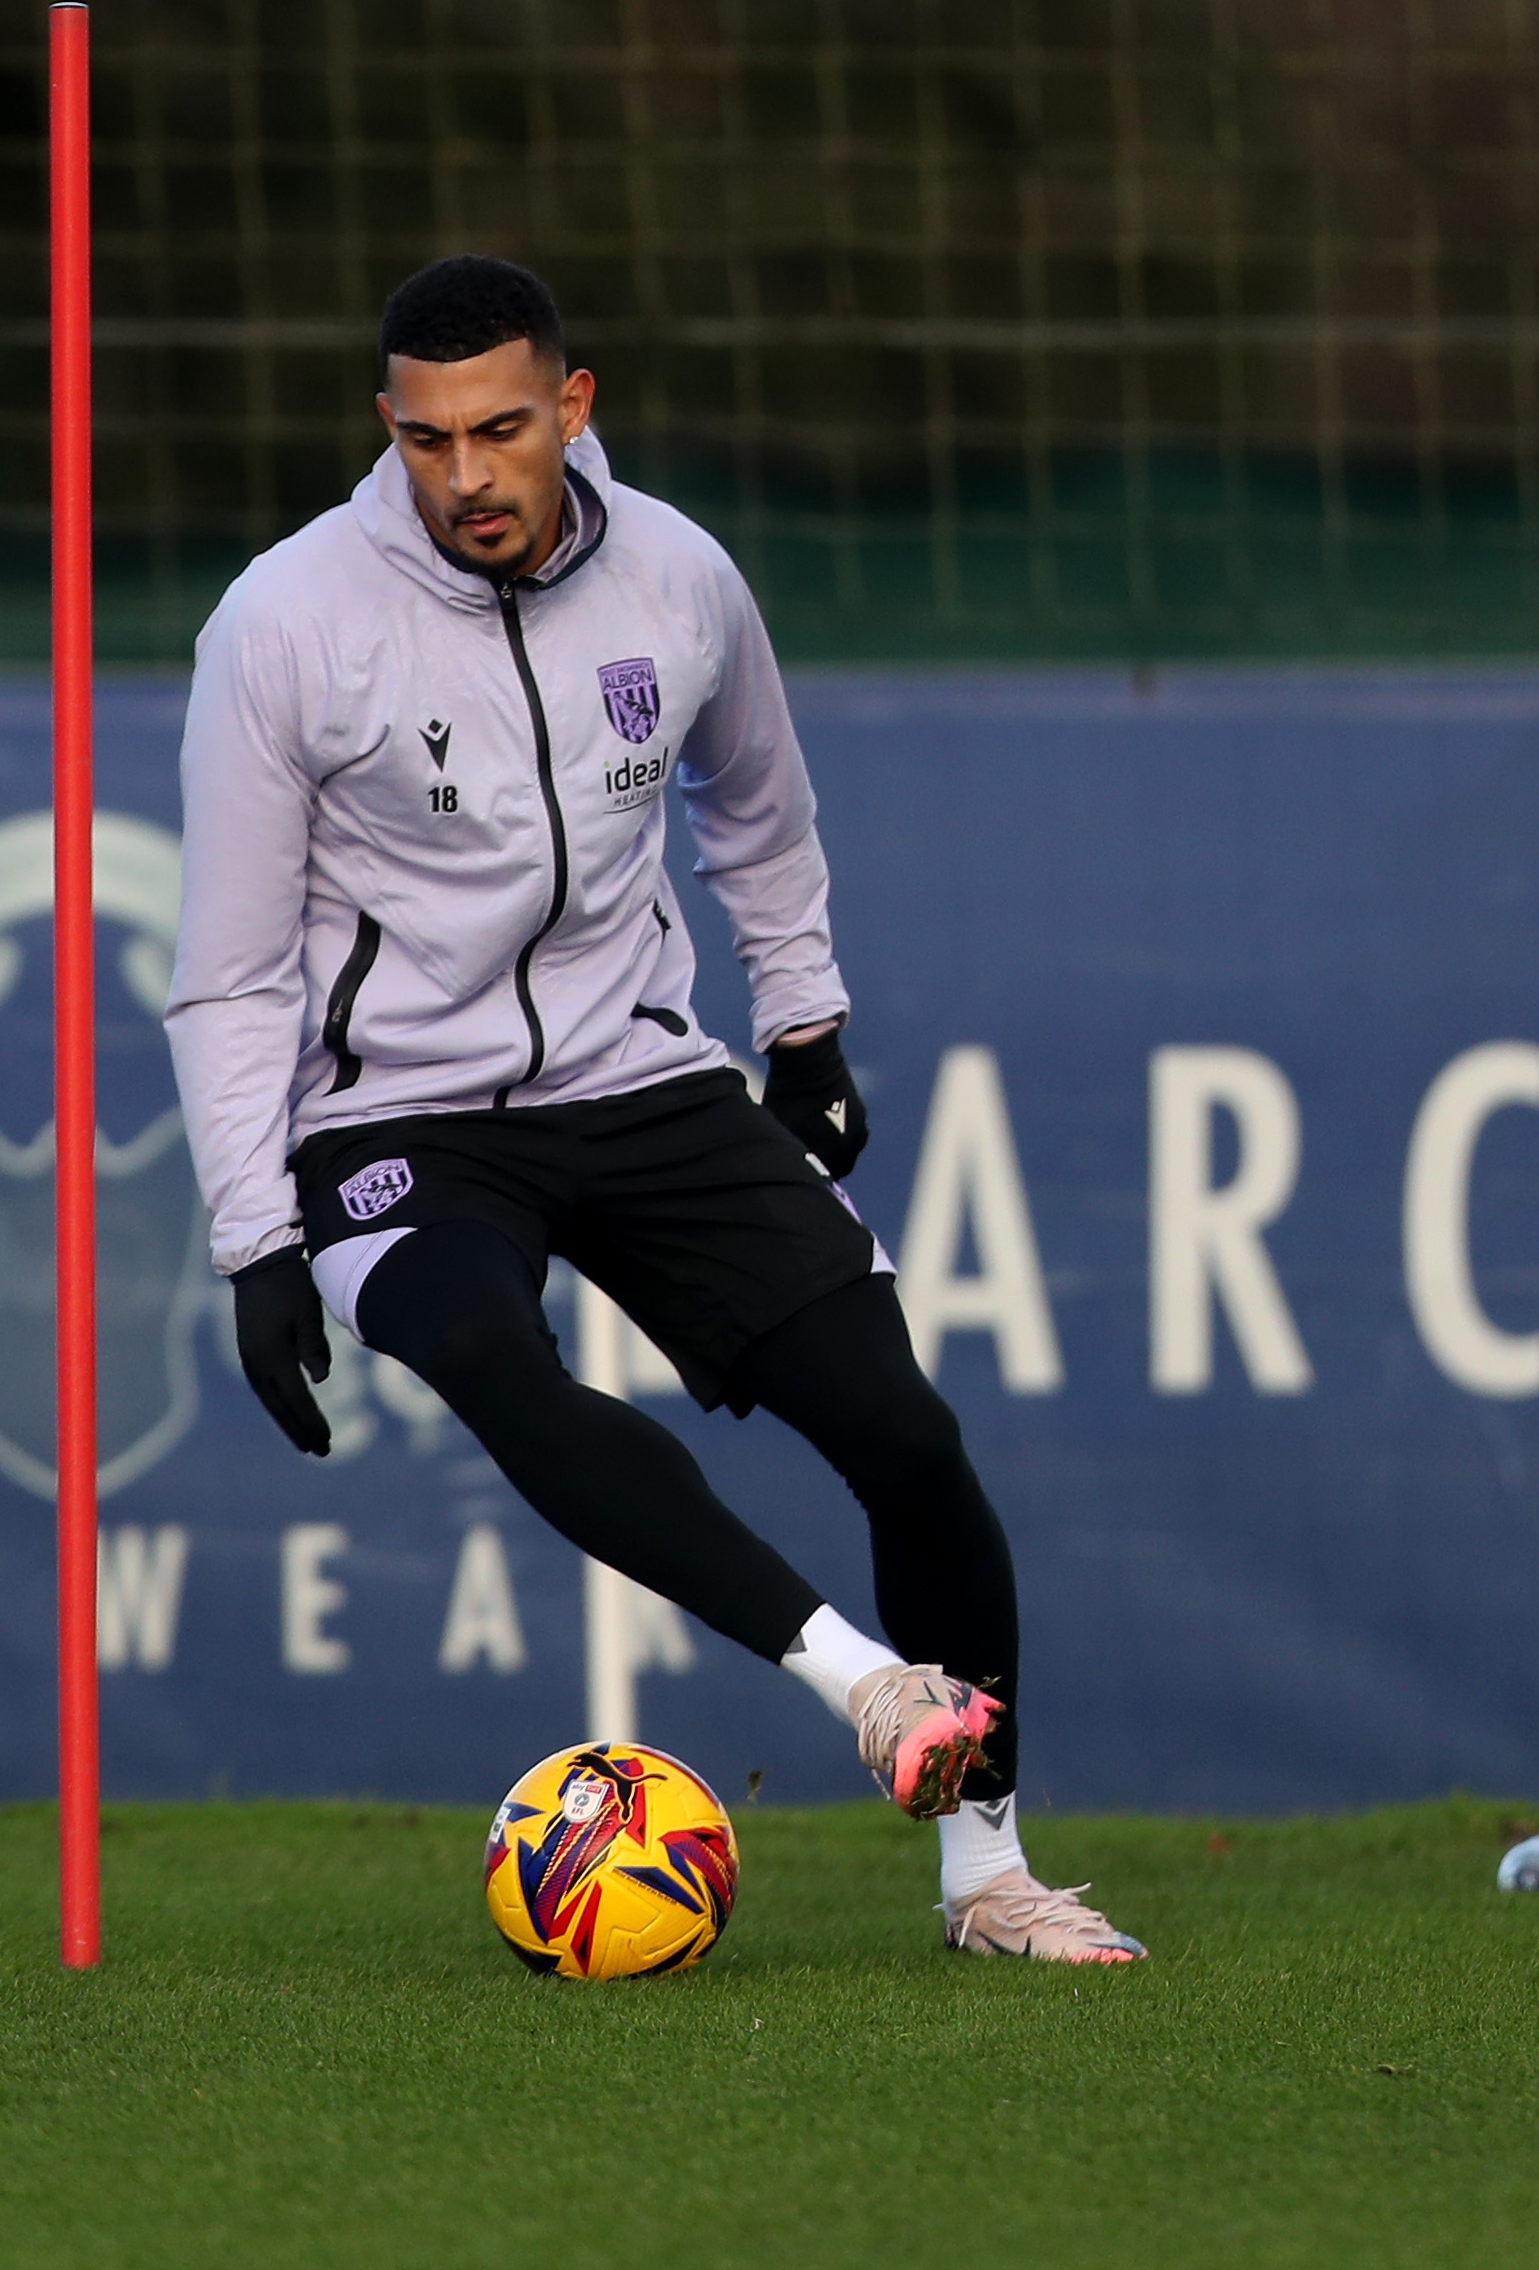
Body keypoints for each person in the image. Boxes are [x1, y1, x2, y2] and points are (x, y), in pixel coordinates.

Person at [163, 255, 1144, 1964]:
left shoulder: (682, 578)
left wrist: (806, 1025)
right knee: (486, 1351)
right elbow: (231, 971)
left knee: (908, 1440)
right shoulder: (285, 622)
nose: (464, 475)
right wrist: (255, 1236)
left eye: (500, 429)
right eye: (424, 439)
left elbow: (755, 805)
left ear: (574, 407)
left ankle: (986, 1878)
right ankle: (862, 1687)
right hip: (393, 1110)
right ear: (383, 430)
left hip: (636, 1067)